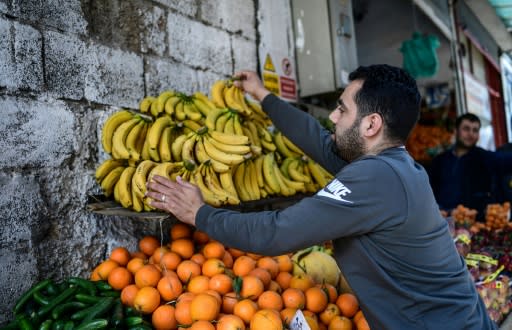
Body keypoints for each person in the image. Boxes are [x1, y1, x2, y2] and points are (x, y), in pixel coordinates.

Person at [146, 65, 496, 329]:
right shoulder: (392, 165)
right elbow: (318, 139)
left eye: (342, 109)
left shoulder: (377, 178)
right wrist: (263, 95)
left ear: (371, 124)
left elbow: (277, 232)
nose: (333, 116)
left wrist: (200, 214)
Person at [428, 113, 512, 219]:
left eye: (475, 130)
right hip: (442, 220)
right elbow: (429, 190)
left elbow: (506, 160)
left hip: (473, 222)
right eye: (466, 129)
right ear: (456, 130)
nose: (471, 134)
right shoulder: (439, 161)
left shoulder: (484, 157)